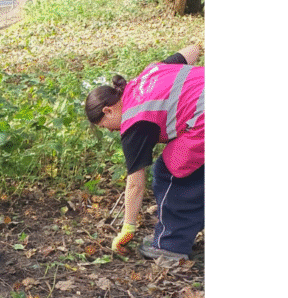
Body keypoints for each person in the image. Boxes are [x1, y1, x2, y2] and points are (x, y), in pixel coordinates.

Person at [84, 44, 204, 261]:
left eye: (105, 125)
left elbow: (136, 185)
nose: (111, 130)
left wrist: (128, 228)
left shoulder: (134, 122)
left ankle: (170, 246)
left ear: (108, 110)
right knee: (196, 170)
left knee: (169, 172)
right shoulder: (149, 74)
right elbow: (192, 51)